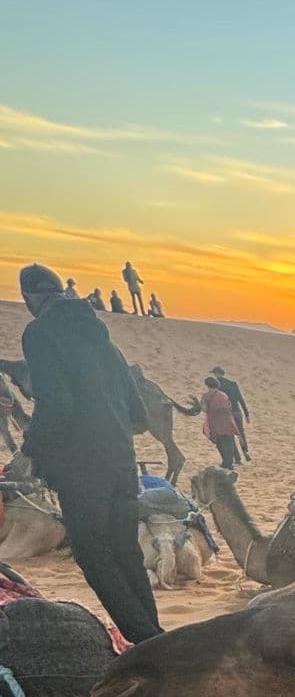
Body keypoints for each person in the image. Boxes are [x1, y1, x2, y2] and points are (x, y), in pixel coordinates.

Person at [17, 263, 161, 643]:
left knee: (94, 555)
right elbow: (137, 414)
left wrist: (31, 450)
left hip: (82, 469)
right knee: (125, 552)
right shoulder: (103, 339)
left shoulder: (40, 333)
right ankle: (156, 640)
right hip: (121, 462)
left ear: (30, 298)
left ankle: (145, 640)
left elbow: (56, 404)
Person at [199, 373, 241, 469]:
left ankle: (225, 462)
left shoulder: (206, 396)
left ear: (207, 385)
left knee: (220, 444)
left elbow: (205, 409)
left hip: (214, 423)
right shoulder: (223, 395)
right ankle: (228, 463)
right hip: (227, 422)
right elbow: (229, 407)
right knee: (229, 443)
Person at [211, 364, 251, 459]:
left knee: (230, 435)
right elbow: (240, 399)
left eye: (214, 374)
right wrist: (246, 414)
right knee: (241, 433)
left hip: (226, 414)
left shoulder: (217, 386)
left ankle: (237, 457)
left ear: (217, 374)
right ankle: (245, 452)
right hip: (237, 412)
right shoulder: (233, 384)